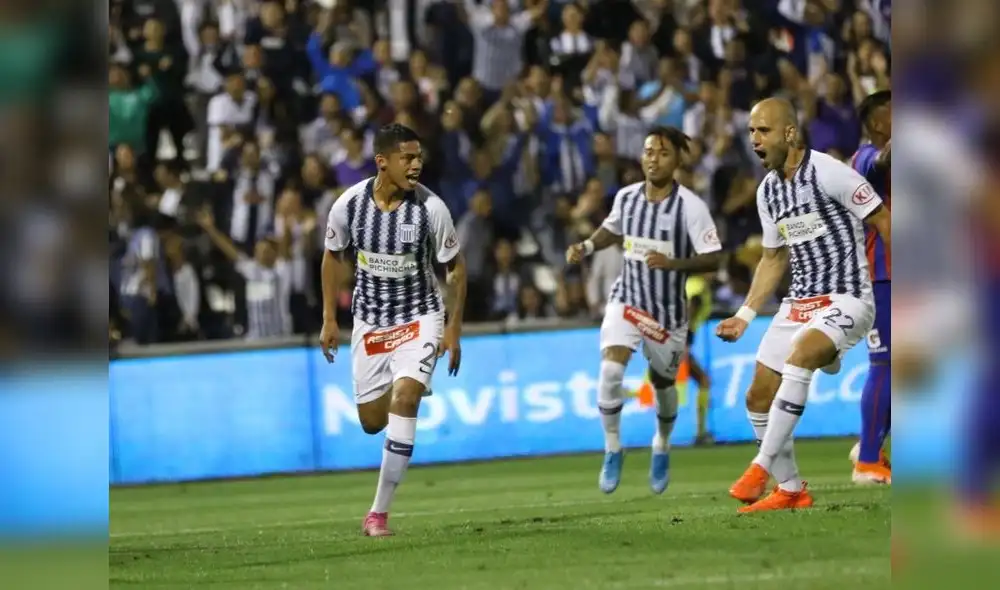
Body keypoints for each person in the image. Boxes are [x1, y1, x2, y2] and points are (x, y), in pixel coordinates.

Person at [716, 97, 891, 513]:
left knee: (801, 355)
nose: (755, 140)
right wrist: (744, 314)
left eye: (763, 131)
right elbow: (773, 258)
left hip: (847, 296)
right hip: (798, 303)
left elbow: (883, 220)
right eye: (751, 132)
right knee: (757, 396)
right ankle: (791, 490)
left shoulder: (831, 173)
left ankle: (760, 467)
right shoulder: (768, 191)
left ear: (790, 133)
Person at [319, 123, 466, 537]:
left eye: (419, 157)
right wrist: (329, 318)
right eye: (408, 158)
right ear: (382, 162)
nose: (416, 165)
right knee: (371, 421)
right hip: (371, 322)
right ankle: (408, 380)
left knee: (405, 399)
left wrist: (453, 328)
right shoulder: (349, 205)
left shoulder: (431, 209)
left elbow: (455, 269)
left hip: (420, 317)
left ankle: (377, 514)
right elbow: (332, 257)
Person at [565, 126, 723, 495]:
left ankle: (661, 444)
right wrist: (587, 246)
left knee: (664, 384)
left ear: (677, 160)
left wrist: (674, 264)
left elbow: (714, 258)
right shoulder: (626, 197)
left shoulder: (691, 207)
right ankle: (613, 448)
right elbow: (610, 229)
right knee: (610, 371)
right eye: (649, 151)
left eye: (664, 153)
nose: (654, 159)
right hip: (627, 300)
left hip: (666, 314)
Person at [847, 90, 892, 484]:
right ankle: (867, 461)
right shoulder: (863, 159)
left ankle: (869, 442)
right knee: (885, 364)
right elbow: (882, 161)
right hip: (883, 276)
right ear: (878, 123)